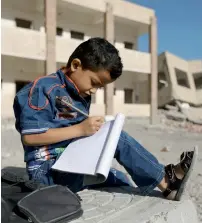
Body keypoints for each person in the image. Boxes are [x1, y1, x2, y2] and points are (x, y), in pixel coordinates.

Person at [13, 38, 197, 200]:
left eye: (99, 87)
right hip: (47, 172)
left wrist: (92, 131)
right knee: (117, 138)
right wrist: (80, 130)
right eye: (94, 83)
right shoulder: (43, 89)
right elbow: (31, 137)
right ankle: (167, 183)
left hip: (68, 163)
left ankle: (164, 178)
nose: (93, 90)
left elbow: (73, 132)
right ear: (76, 65)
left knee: (120, 178)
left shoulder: (79, 91)